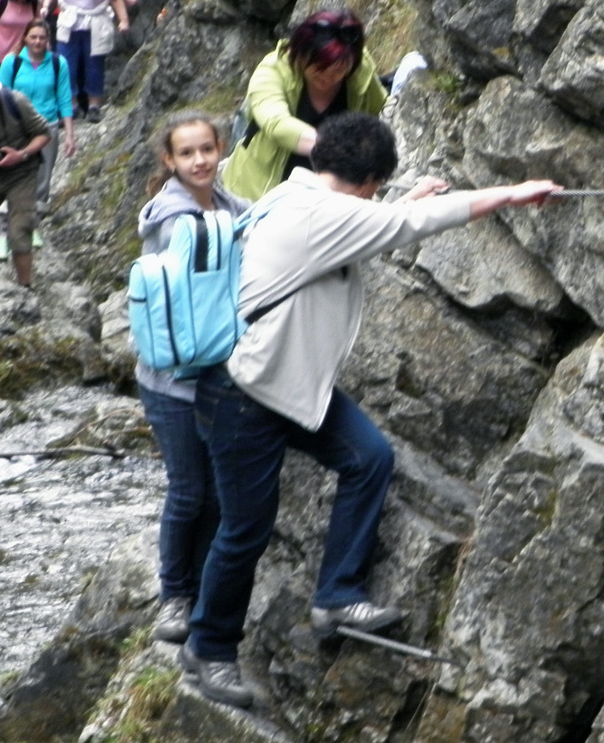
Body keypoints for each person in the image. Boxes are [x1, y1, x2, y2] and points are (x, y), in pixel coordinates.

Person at [180, 113, 560, 707]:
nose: (378, 198)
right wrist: (512, 193)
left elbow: (362, 229)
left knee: (369, 457)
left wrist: (397, 202)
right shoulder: (321, 211)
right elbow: (409, 223)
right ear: (367, 181)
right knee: (245, 530)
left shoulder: (303, 192)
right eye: (379, 188)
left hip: (290, 386)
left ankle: (336, 595)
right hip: (247, 394)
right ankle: (208, 650)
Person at [135, 113, 249, 644]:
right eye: (187, 153)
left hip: (217, 375)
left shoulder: (226, 204)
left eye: (207, 149)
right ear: (170, 161)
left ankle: (201, 589)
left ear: (220, 148)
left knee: (219, 495)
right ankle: (174, 598)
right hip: (170, 381)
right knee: (189, 491)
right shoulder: (171, 218)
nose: (200, 161)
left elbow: (266, 220)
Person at [221, 10, 387, 201]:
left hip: (327, 195)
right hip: (258, 194)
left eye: (339, 71)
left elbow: (379, 109)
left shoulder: (360, 68)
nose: (328, 78)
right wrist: (336, 148)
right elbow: (276, 123)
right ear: (299, 55)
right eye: (318, 70)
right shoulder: (272, 70)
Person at [39, 0, 129, 122]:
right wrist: (46, 6)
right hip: (69, 23)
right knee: (65, 66)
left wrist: (123, 20)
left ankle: (94, 105)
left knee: (94, 66)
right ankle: (70, 106)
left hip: (95, 22)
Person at [1, 21, 75, 212]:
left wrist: (69, 135)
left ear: (48, 40)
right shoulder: (12, 62)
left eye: (42, 37)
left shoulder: (59, 64)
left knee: (43, 175)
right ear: (25, 38)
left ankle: (37, 215)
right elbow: (1, 97)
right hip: (17, 126)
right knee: (15, 172)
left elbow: (65, 99)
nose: (37, 41)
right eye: (33, 37)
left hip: (47, 125)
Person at [0, 68, 50, 286]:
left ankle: (25, 286)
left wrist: (21, 154)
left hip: (21, 173)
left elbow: (44, 133)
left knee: (19, 232)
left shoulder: (17, 102)